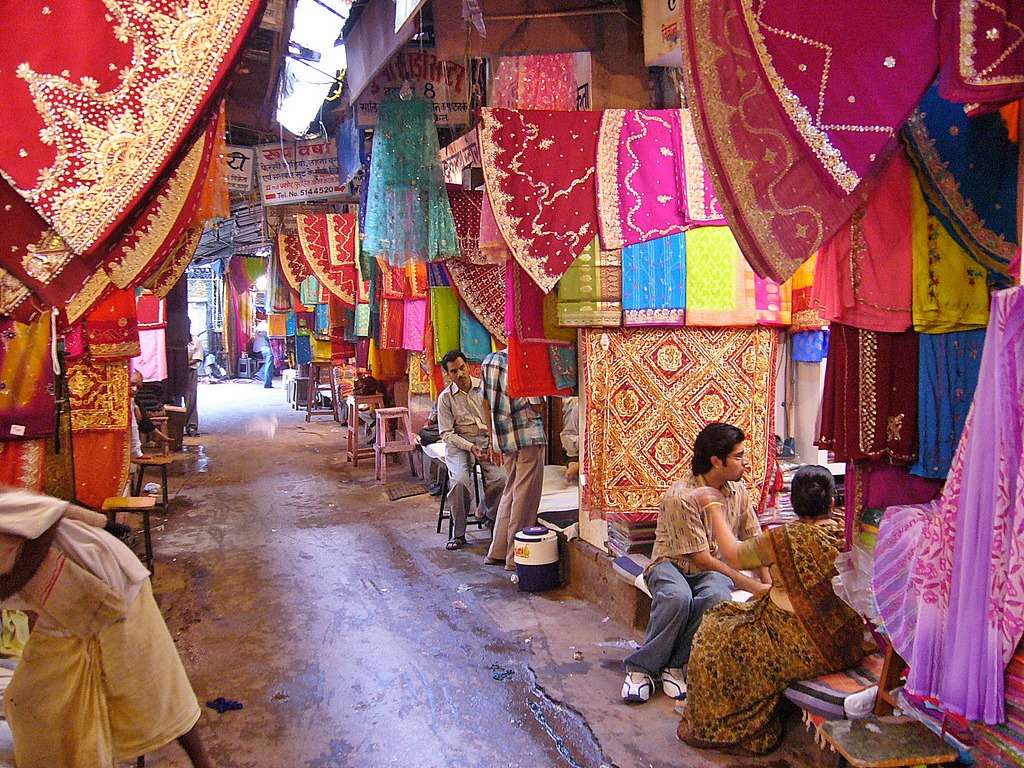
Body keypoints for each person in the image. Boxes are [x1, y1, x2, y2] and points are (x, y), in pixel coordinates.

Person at [0, 487, 213, 767]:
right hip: (67, 603)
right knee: (30, 699)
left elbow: (48, 517)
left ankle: (203, 763)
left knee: (153, 683)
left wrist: (8, 586)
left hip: (107, 582)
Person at [678, 465, 865, 754]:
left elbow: (735, 555)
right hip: (845, 646)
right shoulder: (848, 534)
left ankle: (730, 729)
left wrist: (713, 506)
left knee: (715, 633)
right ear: (832, 502)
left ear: (793, 504)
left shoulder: (781, 540)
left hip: (801, 649)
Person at [622, 423, 769, 704]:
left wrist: (767, 582)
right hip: (672, 563)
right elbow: (701, 558)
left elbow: (754, 537)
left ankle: (675, 665)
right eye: (738, 456)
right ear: (716, 460)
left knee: (716, 597)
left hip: (713, 570)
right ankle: (640, 669)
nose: (745, 463)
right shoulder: (682, 497)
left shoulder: (737, 491)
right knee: (677, 598)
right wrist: (753, 585)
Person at [479, 349, 546, 571]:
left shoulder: (490, 360)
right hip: (527, 434)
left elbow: (485, 403)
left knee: (510, 492)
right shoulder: (524, 358)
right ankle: (514, 556)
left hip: (504, 438)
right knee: (524, 497)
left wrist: (491, 438)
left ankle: (497, 551)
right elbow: (536, 403)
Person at [436, 350, 507, 551]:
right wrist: (470, 447)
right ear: (447, 375)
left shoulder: (484, 388)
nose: (459, 374)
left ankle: (488, 513)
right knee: (459, 482)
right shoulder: (445, 399)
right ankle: (459, 534)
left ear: (467, 366)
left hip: (485, 439)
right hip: (460, 443)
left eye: (462, 368)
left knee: (501, 478)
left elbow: (495, 416)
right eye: (453, 371)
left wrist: (493, 442)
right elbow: (446, 434)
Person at [131, 371, 171, 455]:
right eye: (132, 384)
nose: (135, 389)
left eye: (138, 387)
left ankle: (156, 433)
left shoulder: (135, 400)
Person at [185, 333, 204, 436]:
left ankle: (191, 426)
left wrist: (183, 364)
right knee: (175, 399)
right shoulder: (173, 339)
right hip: (176, 371)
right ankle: (176, 426)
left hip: (190, 371)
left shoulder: (195, 340)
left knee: (191, 398)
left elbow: (197, 358)